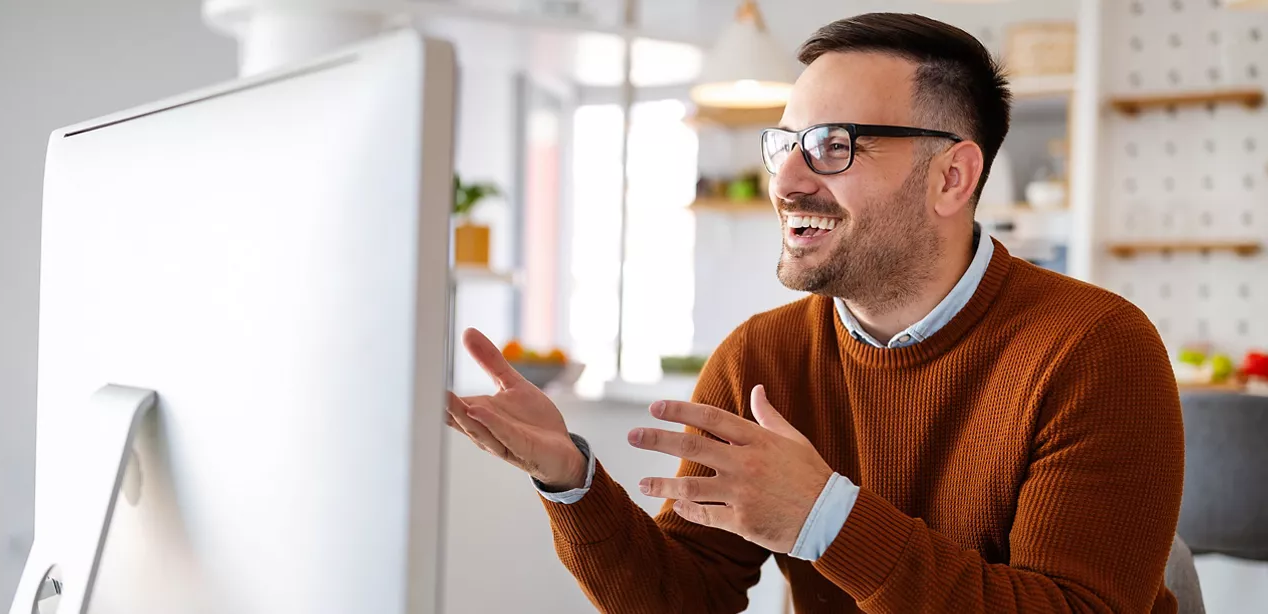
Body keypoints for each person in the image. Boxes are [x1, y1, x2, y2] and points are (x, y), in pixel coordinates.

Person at [444, 12, 1185, 614]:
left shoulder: (1095, 348)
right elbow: (687, 597)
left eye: (834, 146)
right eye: (786, 144)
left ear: (953, 176)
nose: (788, 181)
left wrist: (828, 518)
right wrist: (569, 478)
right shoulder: (760, 357)